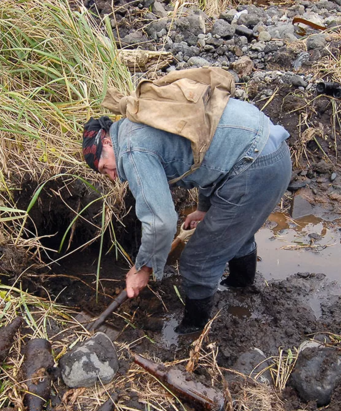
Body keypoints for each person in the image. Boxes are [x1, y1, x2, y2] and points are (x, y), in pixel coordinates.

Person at [82, 98, 291, 334]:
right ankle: (241, 291)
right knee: (235, 230)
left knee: (197, 260)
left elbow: (161, 222)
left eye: (103, 167)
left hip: (256, 166)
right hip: (271, 149)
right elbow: (205, 154)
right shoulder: (140, 119)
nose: (112, 177)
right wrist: (204, 207)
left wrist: (143, 269)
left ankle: (192, 332)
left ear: (107, 142)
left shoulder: (130, 149)